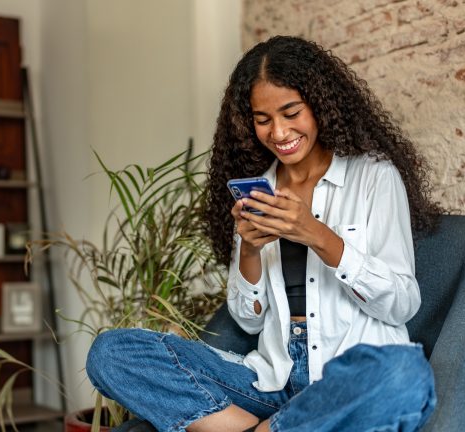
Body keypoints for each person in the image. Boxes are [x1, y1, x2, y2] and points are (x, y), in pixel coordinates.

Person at [86, 35, 442, 432]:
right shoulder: (260, 188)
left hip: (344, 377)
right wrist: (250, 252)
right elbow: (248, 322)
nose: (278, 132)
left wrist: (316, 234)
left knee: (403, 375)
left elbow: (401, 304)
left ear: (320, 104)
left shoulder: (373, 177)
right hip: (271, 379)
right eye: (263, 119)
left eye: (291, 112)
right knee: (110, 353)